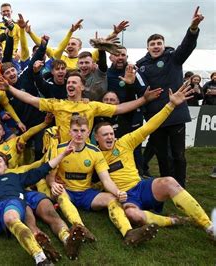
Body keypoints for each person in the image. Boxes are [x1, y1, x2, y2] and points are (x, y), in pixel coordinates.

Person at [94, 83, 215, 240]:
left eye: (111, 133)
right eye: (105, 135)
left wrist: (171, 105)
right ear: (96, 137)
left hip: (140, 186)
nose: (110, 137)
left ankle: (209, 226)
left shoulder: (124, 142)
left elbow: (150, 126)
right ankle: (173, 220)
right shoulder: (93, 154)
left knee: (169, 182)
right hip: (124, 197)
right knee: (132, 214)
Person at [46, 115, 158, 245]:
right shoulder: (59, 149)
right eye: (75, 130)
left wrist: (117, 192)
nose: (79, 134)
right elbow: (50, 176)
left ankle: (128, 233)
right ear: (70, 132)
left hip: (85, 193)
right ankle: (80, 228)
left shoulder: (95, 152)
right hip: (67, 190)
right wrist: (53, 183)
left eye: (82, 131)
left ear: (88, 133)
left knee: (112, 199)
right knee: (61, 194)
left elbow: (106, 179)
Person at [135, 6, 204, 187]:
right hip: (155, 116)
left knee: (178, 154)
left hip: (176, 114)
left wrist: (193, 29)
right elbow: (139, 88)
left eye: (159, 43)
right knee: (161, 155)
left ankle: (180, 186)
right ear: (147, 47)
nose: (156, 46)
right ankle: (166, 184)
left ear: (163, 45)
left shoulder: (174, 58)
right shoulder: (140, 66)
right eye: (153, 44)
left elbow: (186, 46)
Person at [0, 71, 161, 143]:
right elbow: (31, 99)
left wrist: (143, 100)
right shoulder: (57, 104)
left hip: (84, 149)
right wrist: (9, 88)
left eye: (74, 82)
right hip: (62, 150)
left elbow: (119, 109)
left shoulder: (91, 106)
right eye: (68, 82)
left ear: (82, 87)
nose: (70, 84)